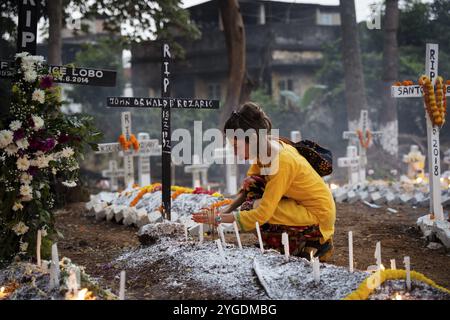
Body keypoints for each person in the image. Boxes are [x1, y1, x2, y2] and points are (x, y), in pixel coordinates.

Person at [192, 102, 336, 261]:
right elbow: (249, 187)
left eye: (236, 146)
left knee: (251, 210)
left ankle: (315, 242)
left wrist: (219, 219)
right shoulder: (266, 148)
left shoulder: (281, 162)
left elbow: (262, 214)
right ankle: (287, 243)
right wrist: (225, 211)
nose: (234, 152)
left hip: (317, 214)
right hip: (299, 203)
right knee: (251, 185)